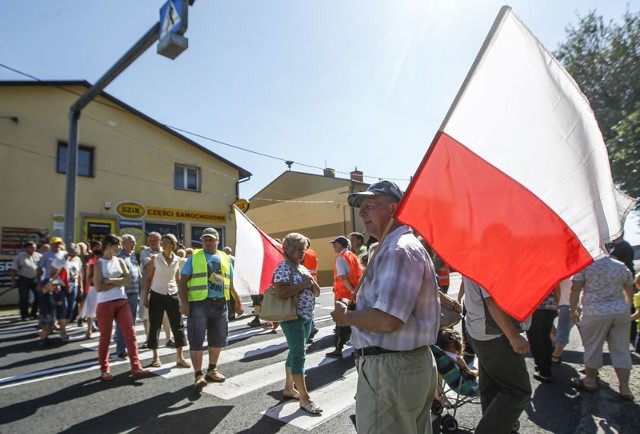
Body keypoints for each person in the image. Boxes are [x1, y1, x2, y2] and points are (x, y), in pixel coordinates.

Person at [331, 180, 440, 434]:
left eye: (370, 205)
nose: (361, 213)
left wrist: (347, 318)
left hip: (391, 371)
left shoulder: (397, 249)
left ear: (393, 208)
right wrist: (355, 305)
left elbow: (388, 320)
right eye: (362, 207)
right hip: (401, 367)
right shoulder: (393, 246)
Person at [178, 227, 244, 393]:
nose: (208, 242)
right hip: (199, 304)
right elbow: (182, 281)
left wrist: (238, 301)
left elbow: (230, 282)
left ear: (217, 241)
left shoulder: (225, 258)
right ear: (202, 241)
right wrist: (184, 303)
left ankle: (212, 370)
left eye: (211, 239)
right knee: (197, 340)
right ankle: (198, 375)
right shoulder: (194, 257)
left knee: (218, 339)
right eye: (205, 239)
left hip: (220, 304)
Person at [462, 276, 531, 434]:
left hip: (480, 328)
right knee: (517, 390)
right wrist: (513, 336)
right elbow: (491, 299)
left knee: (493, 387)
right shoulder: (488, 255)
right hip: (494, 333)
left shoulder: (477, 253)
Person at [570, 255, 634, 400]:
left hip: (595, 311)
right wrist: (626, 307)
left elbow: (575, 289)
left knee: (593, 346)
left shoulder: (585, 266)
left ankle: (590, 381)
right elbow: (629, 290)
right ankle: (625, 388)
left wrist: (572, 309)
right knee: (621, 349)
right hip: (620, 310)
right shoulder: (620, 265)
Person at [272, 233, 322, 414]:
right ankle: (304, 398)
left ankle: (288, 388)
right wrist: (303, 285)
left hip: (306, 317)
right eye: (300, 249)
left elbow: (316, 292)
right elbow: (280, 293)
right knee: (299, 355)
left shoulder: (302, 268)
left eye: (304, 249)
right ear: (290, 250)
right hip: (292, 318)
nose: (303, 252)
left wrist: (311, 284)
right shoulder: (284, 267)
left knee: (295, 352)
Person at [93, 234, 150, 381]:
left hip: (122, 301)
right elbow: (98, 287)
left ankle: (136, 366)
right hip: (105, 304)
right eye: (117, 245)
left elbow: (128, 279)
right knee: (105, 337)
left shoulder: (120, 261)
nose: (119, 248)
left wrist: (110, 280)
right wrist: (118, 282)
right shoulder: (99, 264)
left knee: (131, 334)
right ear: (109, 245)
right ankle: (104, 369)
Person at [142, 233, 190, 369]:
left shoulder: (177, 260)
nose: (162, 244)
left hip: (173, 294)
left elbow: (178, 280)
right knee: (155, 325)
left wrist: (182, 298)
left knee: (178, 325)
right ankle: (155, 357)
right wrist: (146, 297)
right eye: (161, 242)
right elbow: (148, 278)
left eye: (166, 241)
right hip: (157, 294)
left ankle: (180, 357)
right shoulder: (155, 259)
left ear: (172, 244)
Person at [326, 235, 362, 358]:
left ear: (340, 245)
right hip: (354, 294)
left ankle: (338, 349)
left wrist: (351, 290)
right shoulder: (353, 256)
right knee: (353, 322)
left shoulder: (341, 258)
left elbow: (342, 277)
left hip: (344, 295)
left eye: (334, 244)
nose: (333, 246)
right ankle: (357, 348)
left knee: (341, 323)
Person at [140, 232, 172, 348]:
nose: (152, 242)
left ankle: (168, 339)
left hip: (163, 288)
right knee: (146, 315)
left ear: (160, 241)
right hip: (148, 288)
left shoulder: (164, 252)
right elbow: (149, 264)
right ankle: (148, 339)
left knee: (165, 315)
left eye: (155, 240)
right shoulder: (145, 252)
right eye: (150, 240)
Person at [115, 234, 142, 359]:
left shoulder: (132, 257)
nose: (134, 244)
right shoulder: (119, 257)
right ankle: (121, 349)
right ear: (124, 243)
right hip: (124, 294)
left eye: (134, 242)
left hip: (134, 293)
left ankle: (128, 347)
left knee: (131, 323)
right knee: (123, 323)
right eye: (131, 242)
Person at [525, 290, 558, 383]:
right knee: (545, 338)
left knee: (535, 340)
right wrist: (557, 305)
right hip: (550, 307)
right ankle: (546, 365)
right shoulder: (549, 274)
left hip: (532, 307)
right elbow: (557, 290)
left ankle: (544, 371)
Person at [10, 241, 42, 321]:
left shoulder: (39, 256)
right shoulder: (20, 256)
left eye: (35, 247)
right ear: (27, 248)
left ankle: (33, 313)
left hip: (35, 279)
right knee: (24, 298)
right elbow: (14, 270)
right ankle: (25, 315)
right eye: (32, 247)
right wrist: (13, 281)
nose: (33, 249)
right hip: (23, 279)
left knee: (39, 296)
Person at [551, 279, 574, 363]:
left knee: (562, 332)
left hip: (565, 304)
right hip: (574, 304)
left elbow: (557, 292)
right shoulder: (577, 273)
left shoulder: (560, 274)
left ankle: (556, 355)